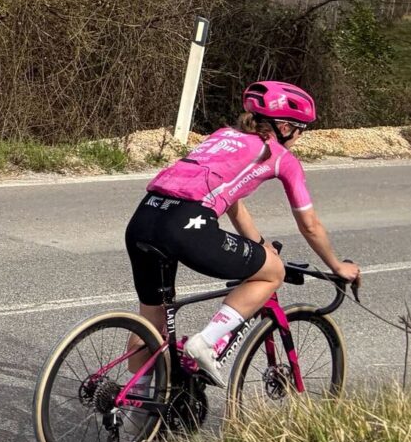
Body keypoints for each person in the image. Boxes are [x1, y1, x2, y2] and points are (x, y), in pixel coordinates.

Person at [126, 80, 361, 383]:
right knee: (272, 272)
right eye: (300, 130)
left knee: (152, 321)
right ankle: (206, 342)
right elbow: (310, 225)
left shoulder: (223, 136)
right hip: (186, 225)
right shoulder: (280, 156)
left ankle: (136, 401)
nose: (299, 137)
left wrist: (260, 244)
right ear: (285, 128)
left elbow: (233, 202)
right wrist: (337, 266)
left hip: (144, 218)